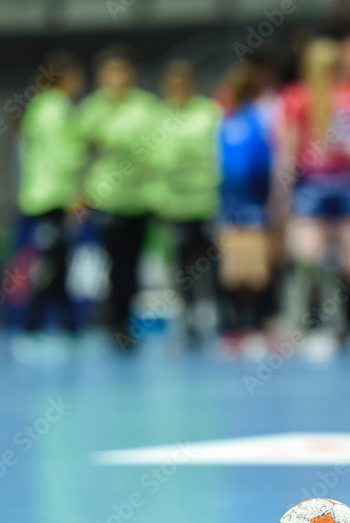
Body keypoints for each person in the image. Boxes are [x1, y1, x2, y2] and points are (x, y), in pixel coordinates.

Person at [278, 37, 350, 358]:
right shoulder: (298, 99)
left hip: (340, 184)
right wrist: (284, 196)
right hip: (318, 185)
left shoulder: (348, 98)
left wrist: (283, 194)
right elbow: (288, 152)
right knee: (316, 257)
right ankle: (328, 326)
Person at [78, 45, 160, 351]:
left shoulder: (147, 107)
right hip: (107, 199)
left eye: (120, 71)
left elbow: (158, 151)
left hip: (140, 200)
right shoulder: (92, 110)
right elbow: (79, 152)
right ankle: (118, 322)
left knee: (134, 265)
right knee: (114, 265)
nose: (115, 78)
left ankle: (127, 317)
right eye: (108, 73)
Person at [149, 59, 223, 347]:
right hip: (174, 205)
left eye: (183, 84)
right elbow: (156, 157)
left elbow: (213, 153)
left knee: (210, 264)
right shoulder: (159, 116)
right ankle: (188, 317)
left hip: (205, 201)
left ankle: (215, 314)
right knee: (182, 267)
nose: (177, 90)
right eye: (172, 85)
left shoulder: (208, 112)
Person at [17, 51, 85, 341]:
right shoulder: (57, 108)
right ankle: (32, 328)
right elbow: (65, 157)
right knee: (50, 266)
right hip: (53, 199)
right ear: (66, 79)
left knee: (56, 263)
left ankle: (67, 327)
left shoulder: (35, 108)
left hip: (36, 198)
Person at [216, 59, 281, 354]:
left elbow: (258, 165)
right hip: (239, 205)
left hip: (245, 204)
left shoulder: (248, 121)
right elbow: (240, 166)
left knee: (248, 270)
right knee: (242, 271)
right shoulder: (235, 122)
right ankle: (243, 326)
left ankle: (249, 325)